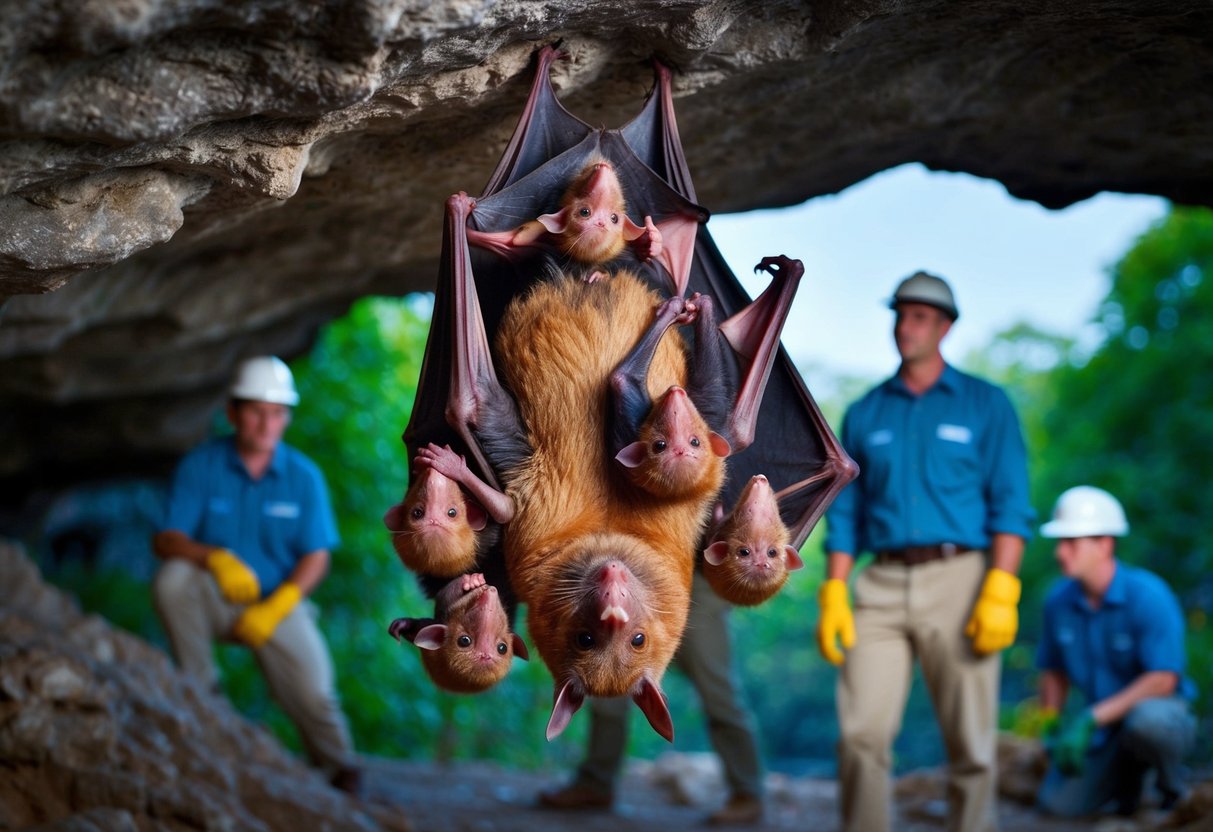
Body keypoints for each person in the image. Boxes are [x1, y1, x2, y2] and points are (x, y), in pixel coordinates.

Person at [817, 271, 1035, 832]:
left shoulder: (987, 405)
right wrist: (835, 588)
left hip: (961, 581)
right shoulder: (865, 413)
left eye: (918, 317)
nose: (905, 327)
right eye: (899, 314)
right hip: (881, 585)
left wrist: (1001, 589)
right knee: (860, 734)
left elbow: (1011, 506)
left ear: (945, 326)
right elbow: (846, 512)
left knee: (972, 744)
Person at [151, 355, 361, 794]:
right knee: (173, 578)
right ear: (232, 413)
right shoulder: (201, 465)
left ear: (286, 417)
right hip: (216, 594)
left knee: (314, 694)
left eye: (278, 413)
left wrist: (280, 604)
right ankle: (202, 702)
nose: (267, 424)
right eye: (256, 412)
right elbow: (166, 540)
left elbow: (316, 557)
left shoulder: (304, 477)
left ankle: (340, 767)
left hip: (279, 602)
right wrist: (213, 557)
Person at [537, 571, 766, 825]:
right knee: (607, 678)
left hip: (696, 582)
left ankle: (747, 794)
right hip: (636, 576)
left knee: (718, 691)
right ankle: (595, 783)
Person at [1035, 485, 1197, 818]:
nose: (1060, 553)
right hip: (1104, 732)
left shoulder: (1148, 596)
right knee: (1057, 806)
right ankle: (1125, 788)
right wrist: (1050, 720)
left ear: (1104, 543)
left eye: (1071, 543)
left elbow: (1163, 679)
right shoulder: (1059, 602)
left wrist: (1090, 717)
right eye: (1059, 543)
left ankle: (1171, 791)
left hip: (1153, 719)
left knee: (1147, 724)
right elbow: (1053, 670)